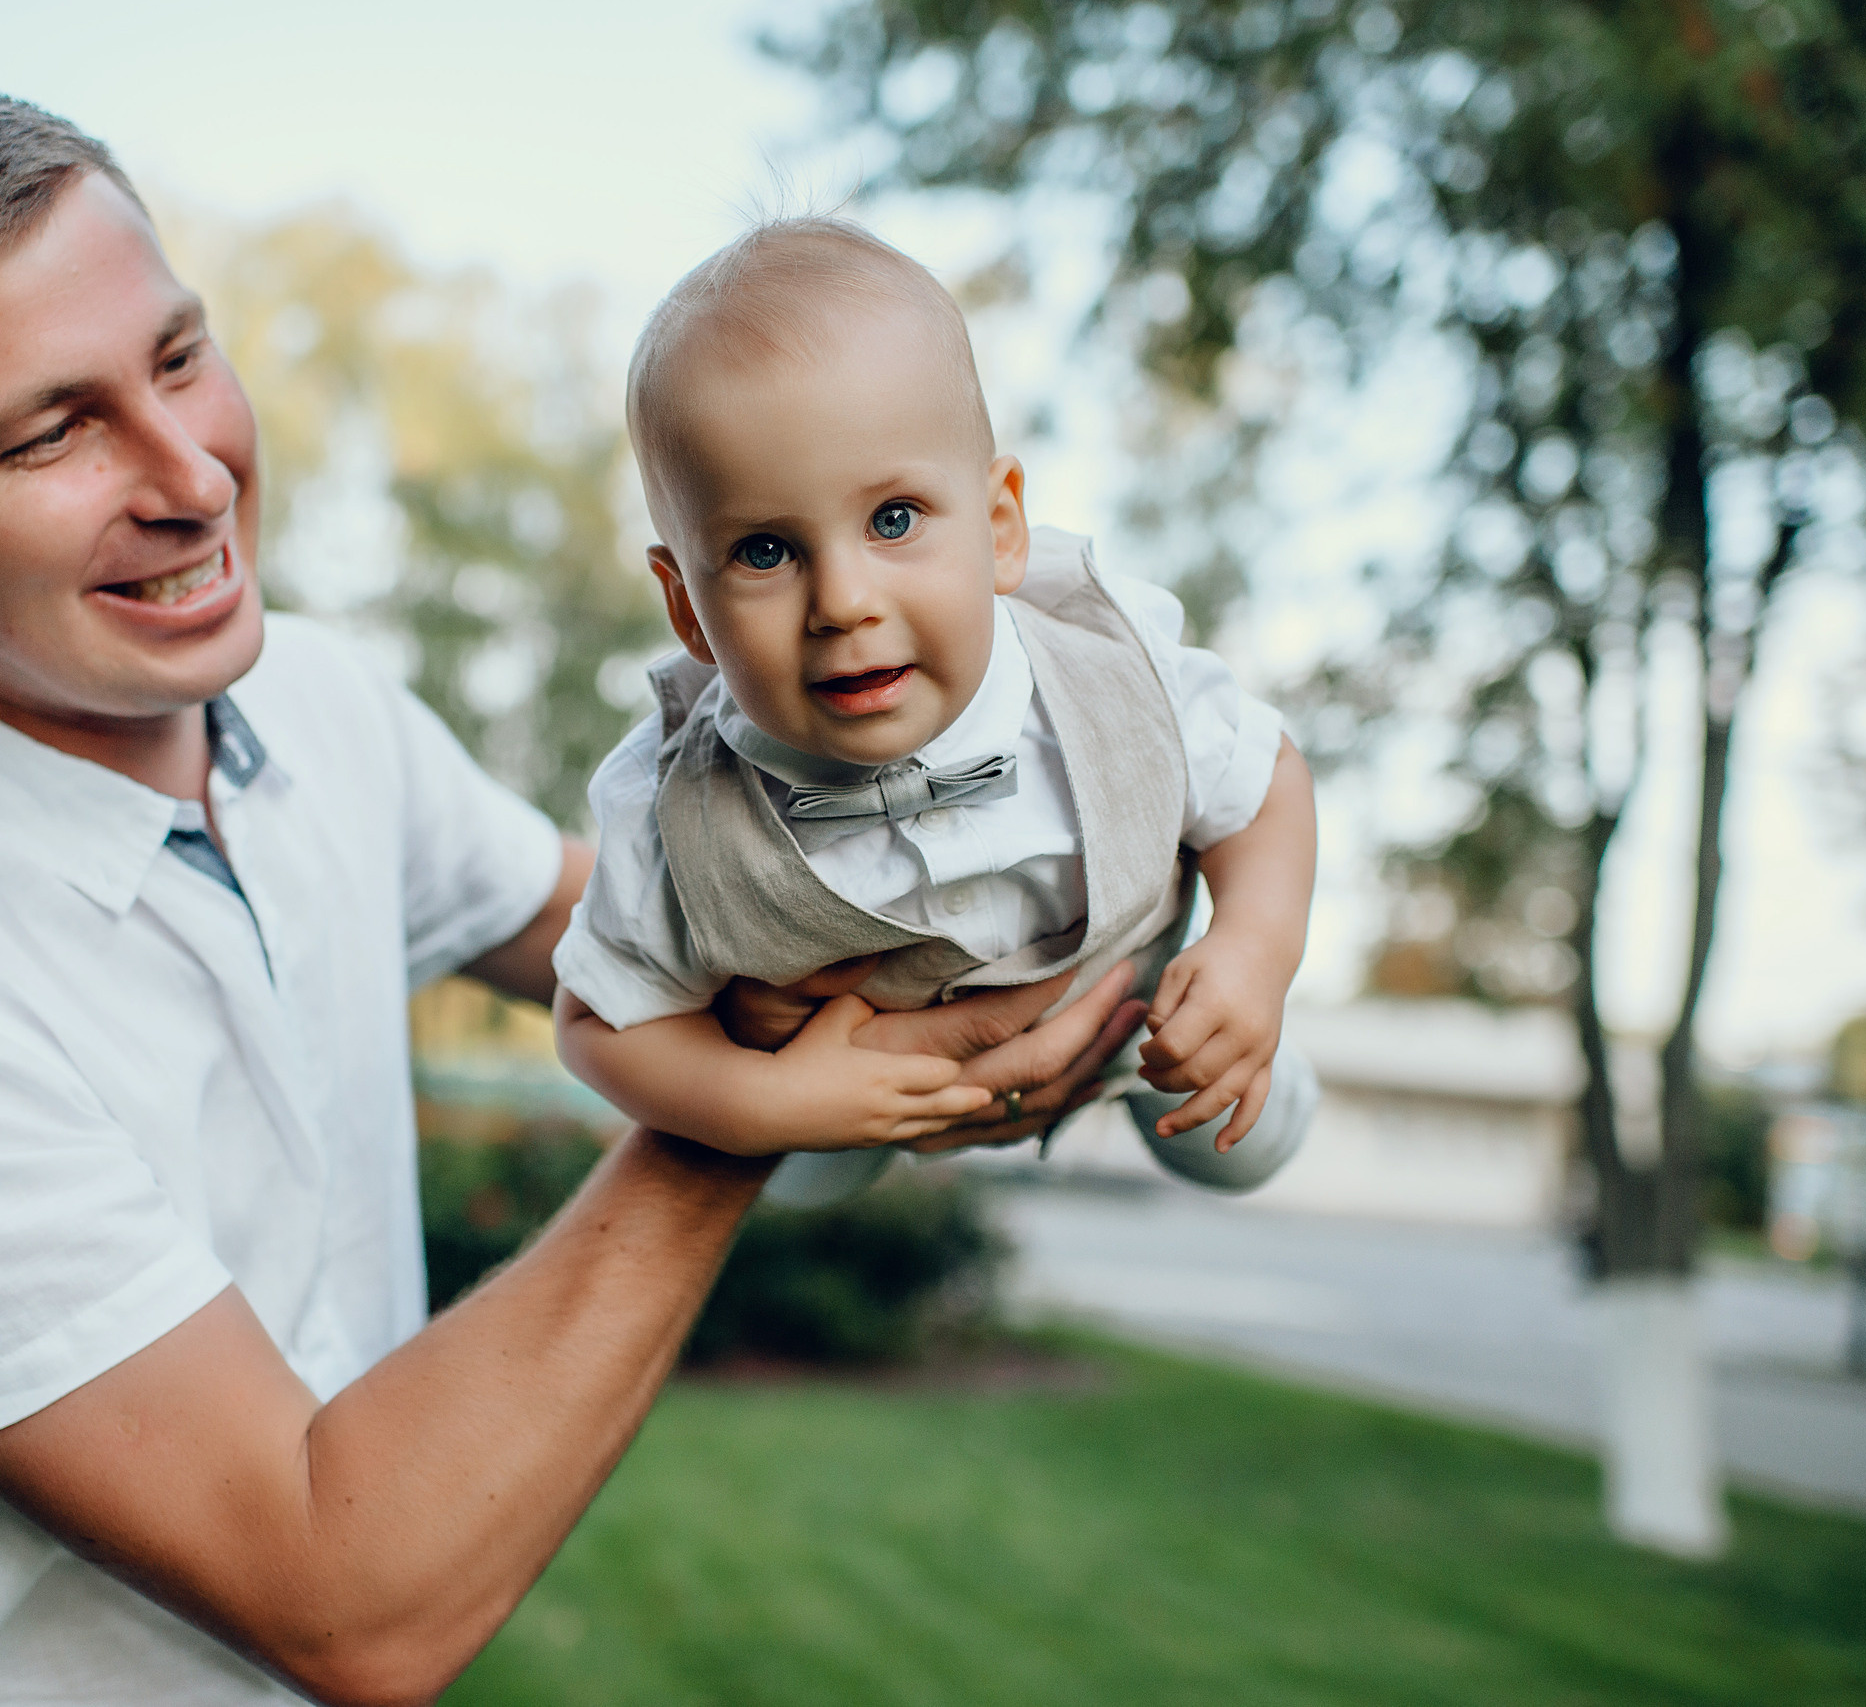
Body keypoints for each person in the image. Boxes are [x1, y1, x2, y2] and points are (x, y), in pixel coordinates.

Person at [0, 86, 1140, 1706]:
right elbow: (347, 1591)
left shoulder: (319, 701)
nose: (194, 477)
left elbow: (649, 925)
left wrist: (1049, 905)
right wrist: (751, 1108)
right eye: (51, 431)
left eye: (176, 358)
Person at [552, 219, 1320, 1206]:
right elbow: (596, 1018)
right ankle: (825, 1140)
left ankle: (1220, 1070)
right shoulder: (674, 809)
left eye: (893, 519)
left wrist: (1254, 948)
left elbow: (1264, 781)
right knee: (791, 1181)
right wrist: (763, 1101)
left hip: (1126, 1004)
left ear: (1000, 527)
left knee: (1235, 1133)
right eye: (764, 552)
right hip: (855, 1072)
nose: (842, 601)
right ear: (682, 606)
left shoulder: (1104, 661)